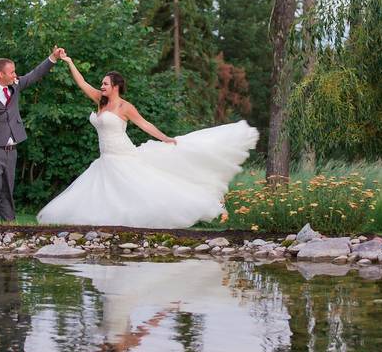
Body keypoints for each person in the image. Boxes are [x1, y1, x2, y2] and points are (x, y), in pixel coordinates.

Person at [36, 54, 258, 228]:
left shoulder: (125, 107)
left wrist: (165, 138)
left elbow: (145, 125)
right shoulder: (100, 102)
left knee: (148, 189)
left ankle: (202, 206)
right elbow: (82, 83)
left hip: (122, 154)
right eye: (101, 84)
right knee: (107, 193)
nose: (101, 86)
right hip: (106, 157)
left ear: (116, 86)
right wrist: (69, 62)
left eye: (105, 84)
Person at [0, 46, 64, 221]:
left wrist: (53, 57)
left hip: (11, 149)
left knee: (7, 189)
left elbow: (34, 74)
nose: (15, 75)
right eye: (12, 72)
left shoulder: (15, 86)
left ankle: (9, 224)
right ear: (1, 75)